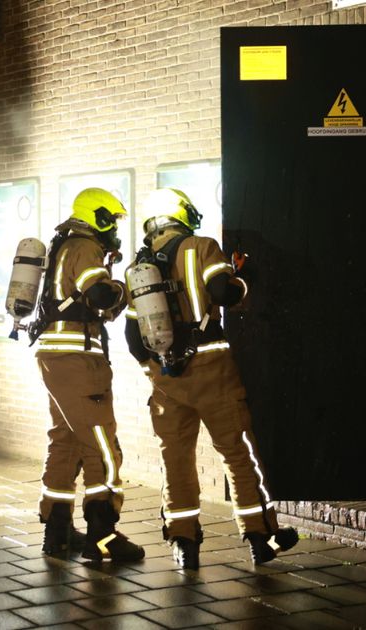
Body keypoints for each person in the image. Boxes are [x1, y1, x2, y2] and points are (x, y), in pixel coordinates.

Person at [125, 187, 298, 568]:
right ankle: (260, 537)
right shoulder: (201, 247)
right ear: (182, 214)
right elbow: (223, 291)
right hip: (212, 370)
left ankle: (183, 543)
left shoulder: (139, 267)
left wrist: (157, 371)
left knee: (176, 460)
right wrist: (242, 278)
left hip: (166, 379)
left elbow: (133, 339)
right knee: (238, 453)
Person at [29, 188, 144, 563]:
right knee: (102, 447)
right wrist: (125, 289)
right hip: (78, 361)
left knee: (65, 442)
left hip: (55, 358)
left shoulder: (64, 243)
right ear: (99, 217)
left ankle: (57, 532)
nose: (115, 229)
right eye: (113, 220)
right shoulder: (85, 246)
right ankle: (103, 537)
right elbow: (99, 296)